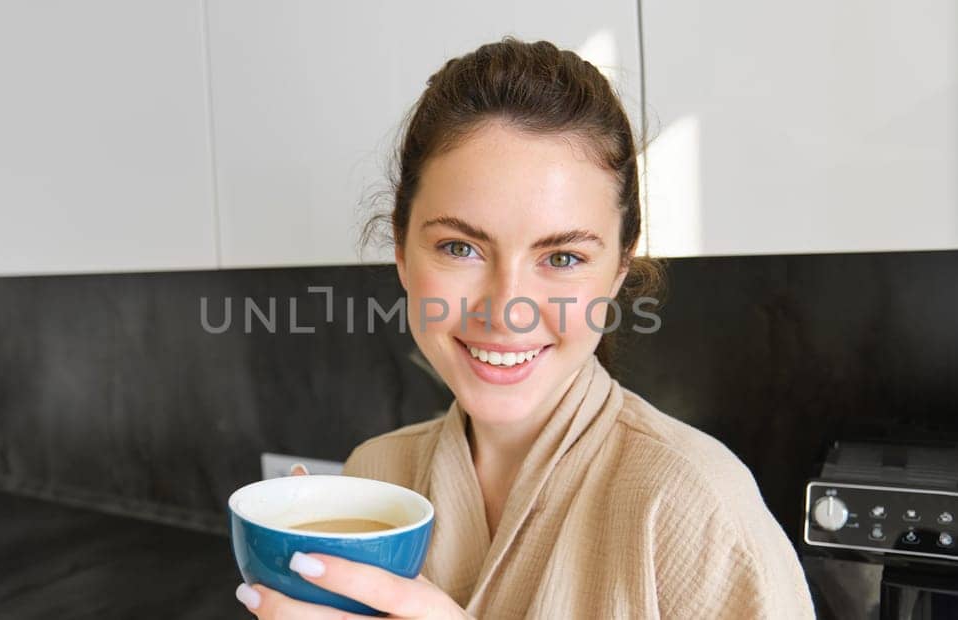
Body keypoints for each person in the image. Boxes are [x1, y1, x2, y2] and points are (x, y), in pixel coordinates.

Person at [235, 38, 813, 619]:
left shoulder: (695, 505)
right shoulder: (377, 477)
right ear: (403, 253)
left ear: (618, 268)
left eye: (562, 258)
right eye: (460, 247)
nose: (507, 310)